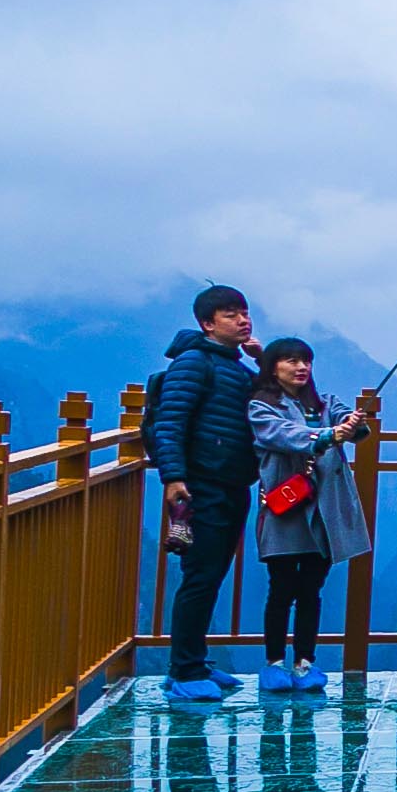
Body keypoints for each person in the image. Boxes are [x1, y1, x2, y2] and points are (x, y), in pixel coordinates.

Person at [147, 284, 260, 703]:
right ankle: (184, 669)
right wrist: (174, 479)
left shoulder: (236, 367)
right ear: (207, 323)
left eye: (245, 312)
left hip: (232, 484)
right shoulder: (194, 364)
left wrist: (263, 360)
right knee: (199, 576)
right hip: (201, 487)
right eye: (231, 314)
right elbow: (170, 422)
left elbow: (284, 397)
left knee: (211, 575)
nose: (243, 320)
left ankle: (196, 659)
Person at [244, 338, 372, 692]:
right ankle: (273, 662)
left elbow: (353, 426)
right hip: (287, 507)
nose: (301, 367)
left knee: (312, 588)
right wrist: (329, 434)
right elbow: (284, 436)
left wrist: (352, 424)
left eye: (305, 361)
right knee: (282, 587)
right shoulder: (262, 406)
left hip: (325, 510)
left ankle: (304, 662)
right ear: (273, 367)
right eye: (290, 361)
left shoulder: (325, 402)